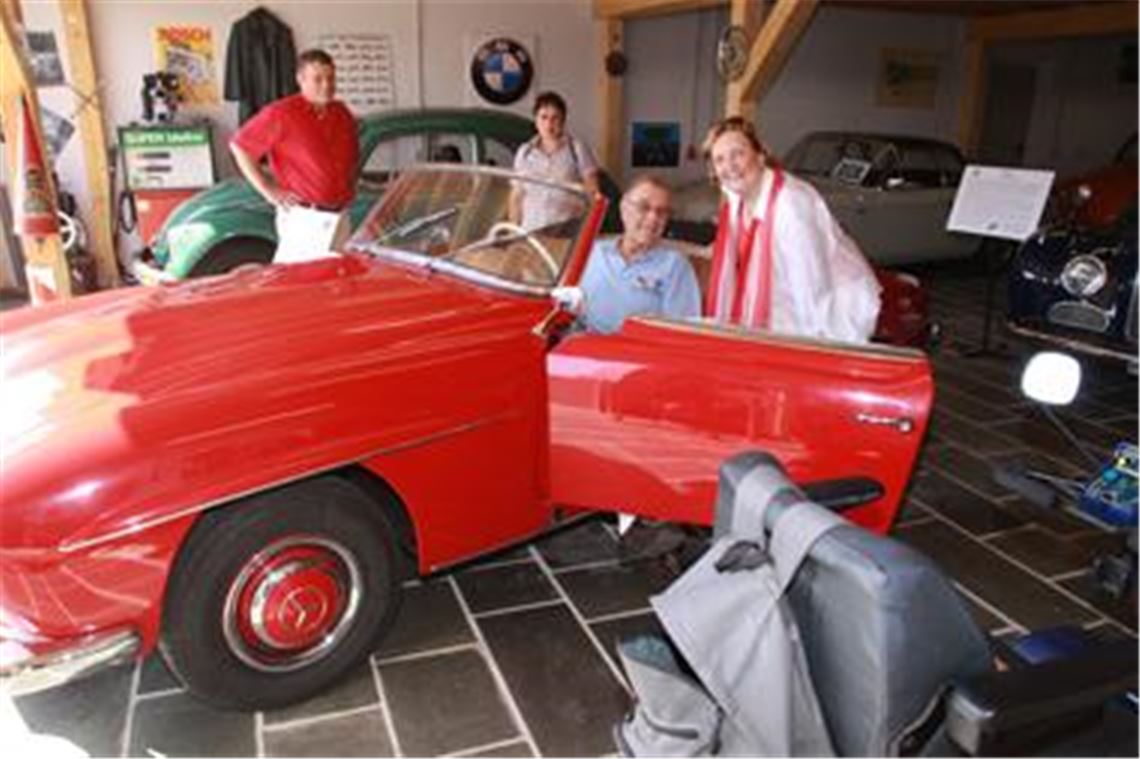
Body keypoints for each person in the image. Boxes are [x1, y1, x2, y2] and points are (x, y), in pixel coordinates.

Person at [703, 116, 880, 343]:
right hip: (780, 294)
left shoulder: (791, 204)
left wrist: (809, 347)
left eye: (737, 154)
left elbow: (811, 286)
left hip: (831, 308)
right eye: (719, 159)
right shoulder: (736, 197)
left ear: (760, 155)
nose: (729, 166)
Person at [229, 48, 358, 258]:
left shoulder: (342, 113)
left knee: (337, 284)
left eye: (331, 78)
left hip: (341, 215)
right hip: (305, 217)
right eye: (318, 79)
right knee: (304, 284)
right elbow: (240, 146)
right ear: (301, 79)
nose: (327, 86)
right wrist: (267, 189)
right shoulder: (281, 113)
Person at [579, 175, 700, 334]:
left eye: (662, 212)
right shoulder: (592, 251)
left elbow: (682, 332)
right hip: (582, 347)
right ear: (623, 207)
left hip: (636, 352)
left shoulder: (674, 265)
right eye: (644, 207)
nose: (653, 218)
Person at [510, 91, 601, 230]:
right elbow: (516, 196)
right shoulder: (524, 152)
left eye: (555, 118)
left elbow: (593, 192)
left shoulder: (577, 149)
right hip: (531, 230)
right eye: (544, 117)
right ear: (536, 120)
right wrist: (513, 230)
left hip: (566, 230)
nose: (549, 124)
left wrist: (585, 227)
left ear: (563, 121)